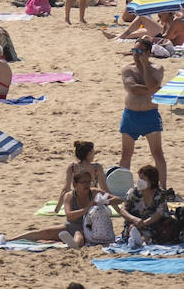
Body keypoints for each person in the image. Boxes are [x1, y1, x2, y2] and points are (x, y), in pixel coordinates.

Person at [119, 38, 168, 191]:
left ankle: (162, 187)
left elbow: (152, 85)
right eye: (134, 50)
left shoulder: (157, 68)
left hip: (150, 115)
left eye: (139, 51)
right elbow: (132, 89)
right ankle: (124, 187)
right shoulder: (127, 68)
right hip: (131, 115)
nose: (135, 54)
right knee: (126, 154)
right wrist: (152, 89)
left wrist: (145, 66)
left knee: (157, 153)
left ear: (148, 52)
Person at [121, 164, 170, 245]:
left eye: (143, 179)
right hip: (134, 224)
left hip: (153, 225)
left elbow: (159, 214)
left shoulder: (160, 194)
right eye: (139, 178)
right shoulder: (133, 193)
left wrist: (144, 223)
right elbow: (123, 210)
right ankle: (137, 239)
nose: (139, 181)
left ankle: (141, 240)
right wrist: (134, 219)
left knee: (153, 231)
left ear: (152, 181)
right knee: (132, 229)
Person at [55, 140, 108, 214]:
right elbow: (105, 190)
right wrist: (118, 209)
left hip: (76, 204)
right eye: (93, 152)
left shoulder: (72, 167)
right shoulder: (97, 168)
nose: (94, 154)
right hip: (91, 204)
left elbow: (65, 189)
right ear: (89, 154)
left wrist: (57, 210)